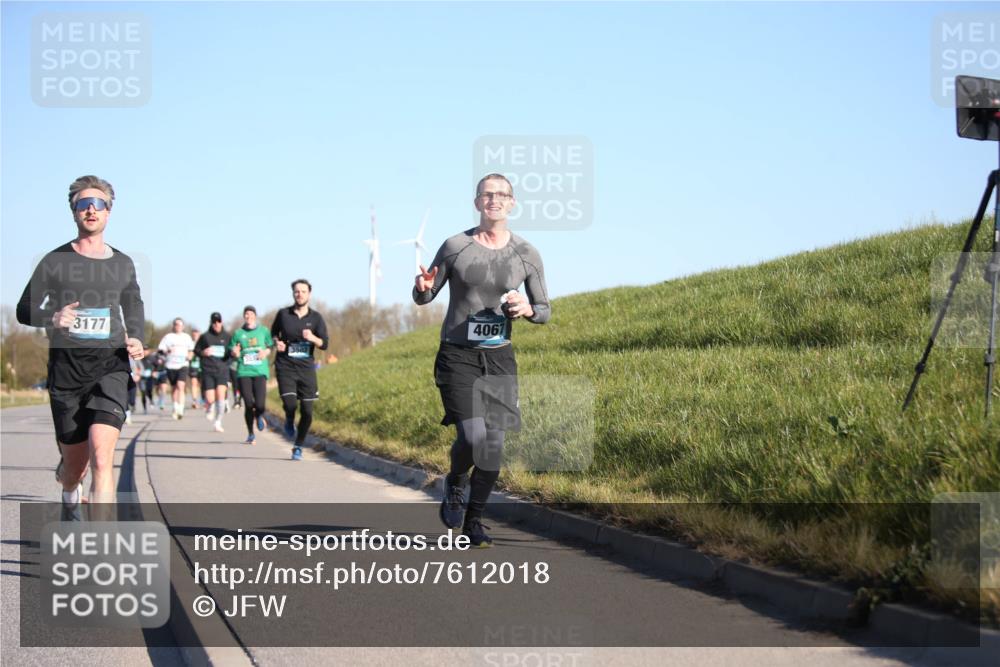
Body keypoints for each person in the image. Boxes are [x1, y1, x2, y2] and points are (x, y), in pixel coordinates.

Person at [413, 173, 550, 547]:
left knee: (493, 447)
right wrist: (421, 288)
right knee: (473, 437)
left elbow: (544, 309)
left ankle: (474, 522)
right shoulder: (456, 245)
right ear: (477, 202)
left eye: (502, 195)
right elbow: (425, 295)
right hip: (457, 356)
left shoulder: (526, 253)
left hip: (500, 359)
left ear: (512, 203)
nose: (494, 200)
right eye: (487, 194)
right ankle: (456, 480)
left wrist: (526, 308)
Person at [16, 175, 145, 521]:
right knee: (76, 466)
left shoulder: (122, 263)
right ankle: (70, 491)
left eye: (98, 203)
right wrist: (52, 316)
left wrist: (136, 337)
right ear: (73, 211)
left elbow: (133, 304)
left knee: (103, 458)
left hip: (111, 367)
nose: (91, 209)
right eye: (83, 204)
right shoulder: (54, 261)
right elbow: (23, 308)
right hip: (67, 372)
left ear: (109, 211)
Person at [271, 279, 329, 461]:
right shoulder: (283, 314)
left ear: (309, 294)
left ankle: (298, 446)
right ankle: (289, 418)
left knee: (308, 411)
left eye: (303, 291)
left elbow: (324, 344)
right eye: (297, 291)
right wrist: (277, 343)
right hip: (285, 366)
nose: (300, 294)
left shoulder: (316, 318)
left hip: (306, 368)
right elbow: (273, 334)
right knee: (290, 404)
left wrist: (312, 337)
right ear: (293, 294)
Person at [229, 305, 273, 444]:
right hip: (244, 372)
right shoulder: (238, 333)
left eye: (251, 314)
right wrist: (234, 352)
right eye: (246, 314)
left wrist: (265, 352)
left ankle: (259, 416)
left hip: (260, 371)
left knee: (260, 405)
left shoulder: (263, 331)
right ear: (244, 316)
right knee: (248, 404)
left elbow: (270, 345)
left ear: (255, 316)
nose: (248, 316)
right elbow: (232, 349)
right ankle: (250, 433)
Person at [194, 312, 231, 433]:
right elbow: (196, 350)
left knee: (220, 396)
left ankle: (218, 422)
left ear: (221, 322)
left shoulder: (227, 336)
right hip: (208, 370)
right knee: (210, 399)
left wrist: (230, 360)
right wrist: (203, 352)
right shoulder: (205, 336)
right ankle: (210, 406)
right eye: (214, 322)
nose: (216, 324)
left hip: (222, 370)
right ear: (211, 323)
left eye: (218, 321)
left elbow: (231, 353)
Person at [157, 318, 195, 419]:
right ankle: (175, 406)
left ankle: (181, 409)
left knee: (180, 385)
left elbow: (191, 350)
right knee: (174, 388)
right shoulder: (168, 337)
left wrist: (190, 356)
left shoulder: (186, 337)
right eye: (176, 325)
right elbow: (160, 350)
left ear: (183, 327)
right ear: (173, 326)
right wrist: (166, 351)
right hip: (170, 365)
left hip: (183, 364)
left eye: (180, 325)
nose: (178, 327)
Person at [188, 327, 203, 410]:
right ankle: (195, 401)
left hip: (202, 366)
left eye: (196, 334)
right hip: (193, 366)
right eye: (193, 335)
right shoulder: (190, 343)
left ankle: (202, 399)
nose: (195, 336)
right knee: (194, 383)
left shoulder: (203, 343)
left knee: (202, 384)